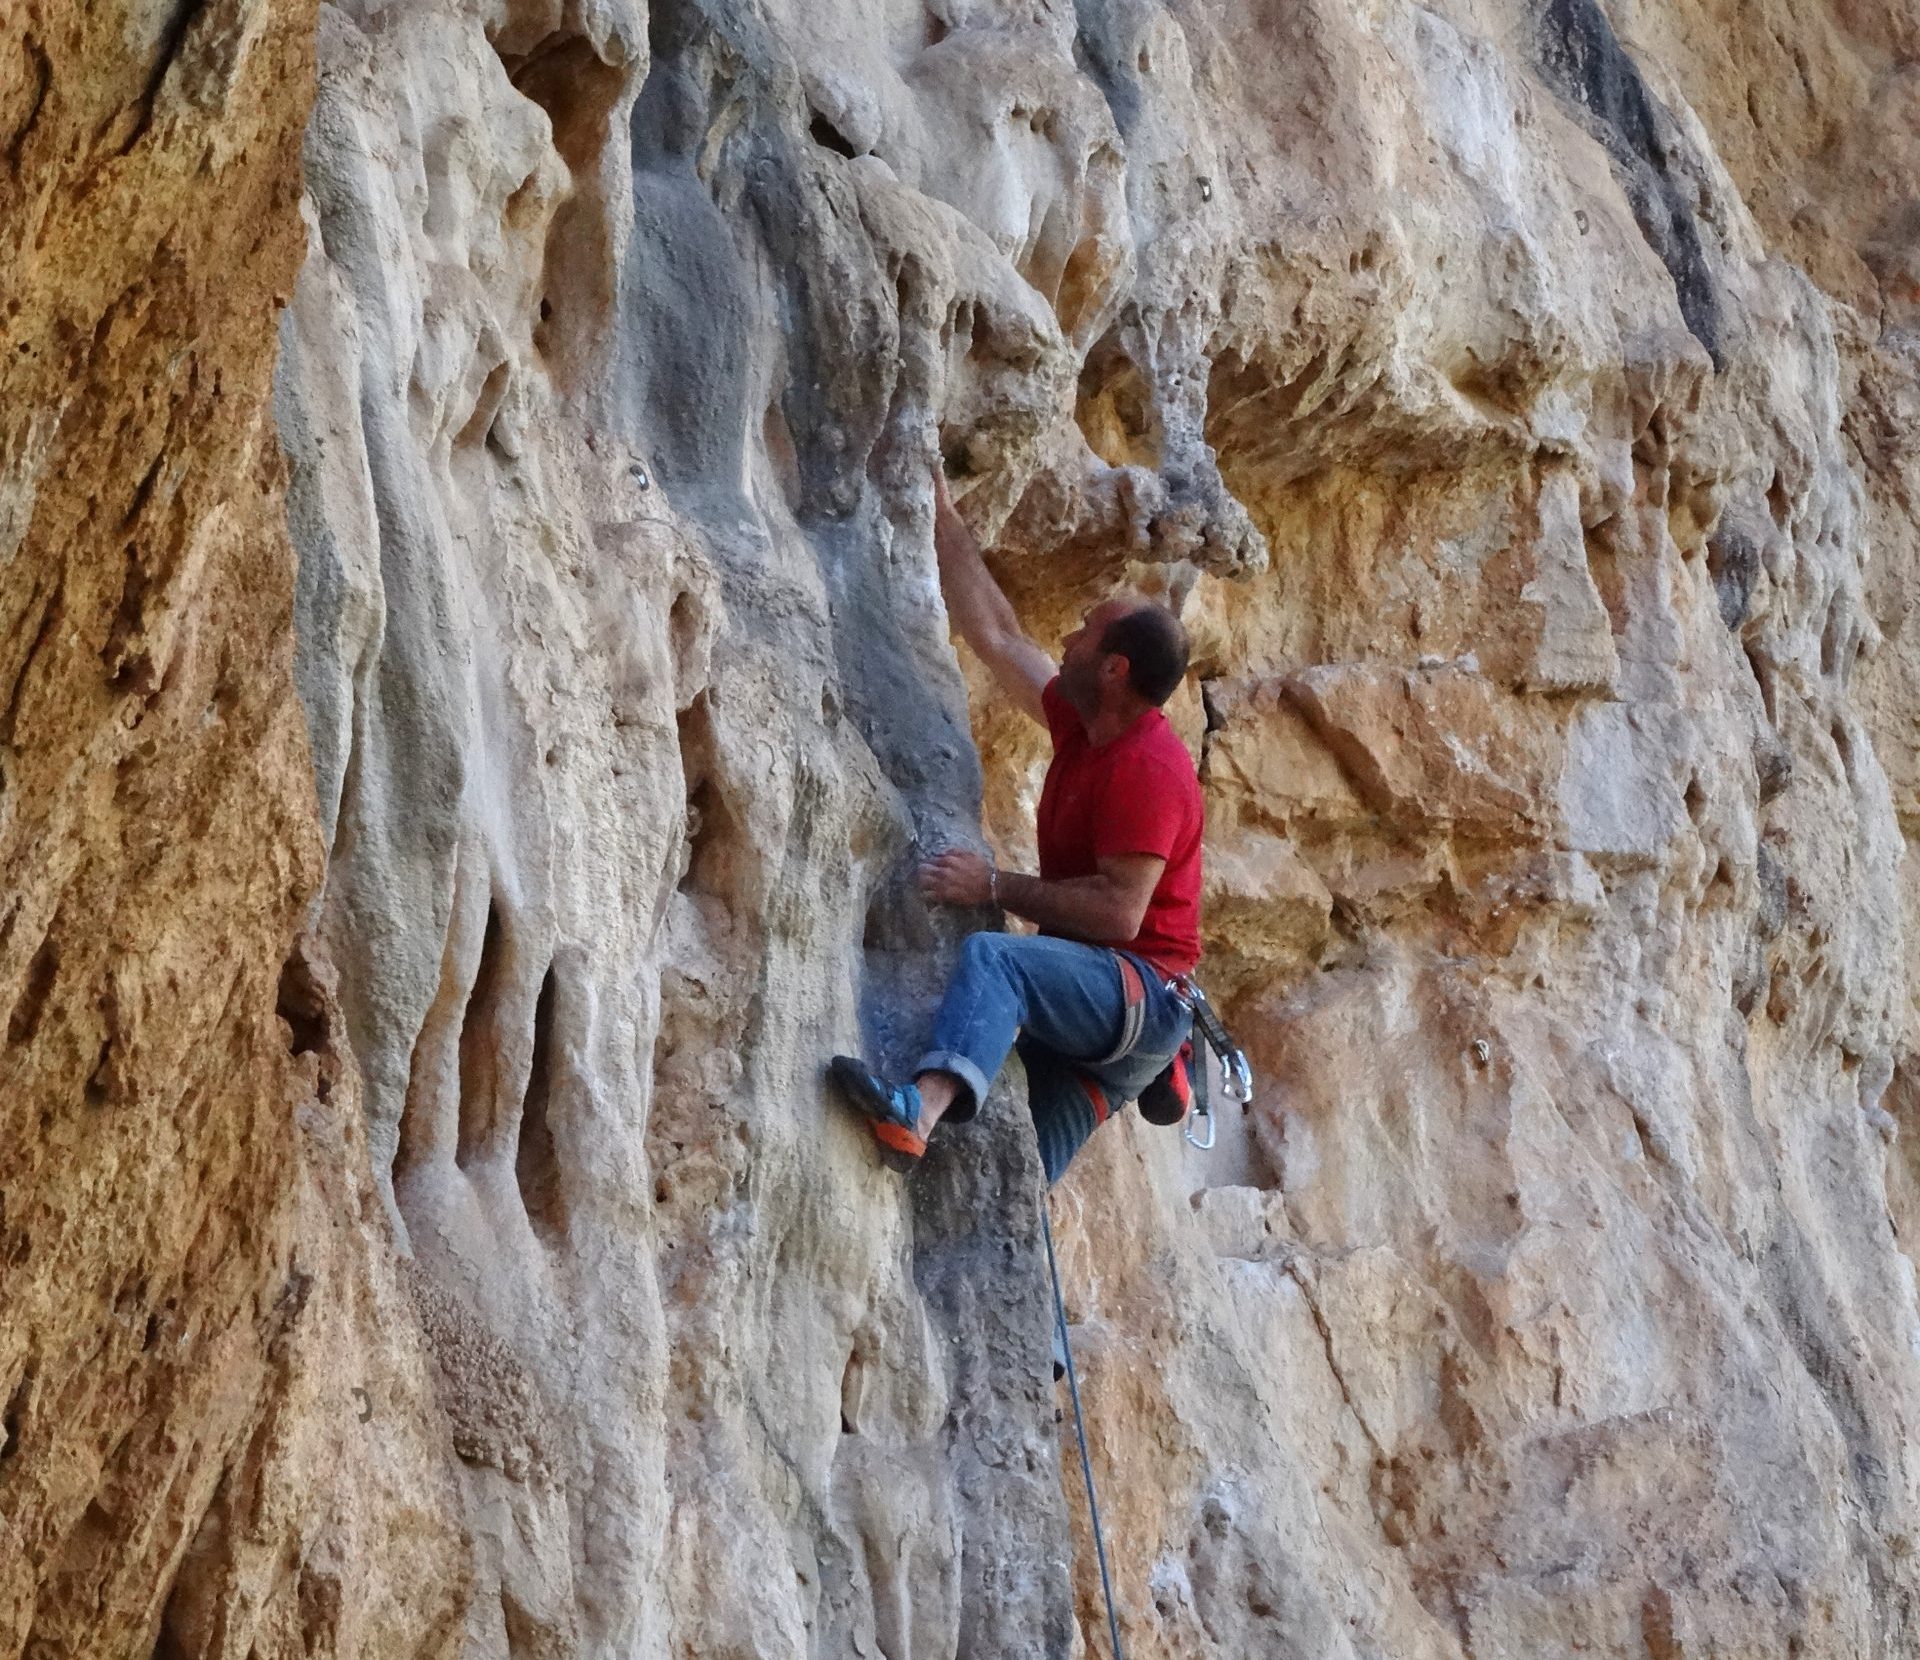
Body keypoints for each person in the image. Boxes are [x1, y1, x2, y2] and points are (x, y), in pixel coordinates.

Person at [829, 468, 1204, 1183]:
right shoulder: (1084, 723)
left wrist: (994, 886)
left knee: (995, 958)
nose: (1066, 636)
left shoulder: (1147, 769)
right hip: (1114, 1016)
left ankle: (918, 1112)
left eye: (1084, 632)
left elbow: (1121, 914)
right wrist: (941, 517)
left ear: (1114, 669)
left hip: (1140, 996)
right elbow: (998, 635)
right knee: (1018, 1185)